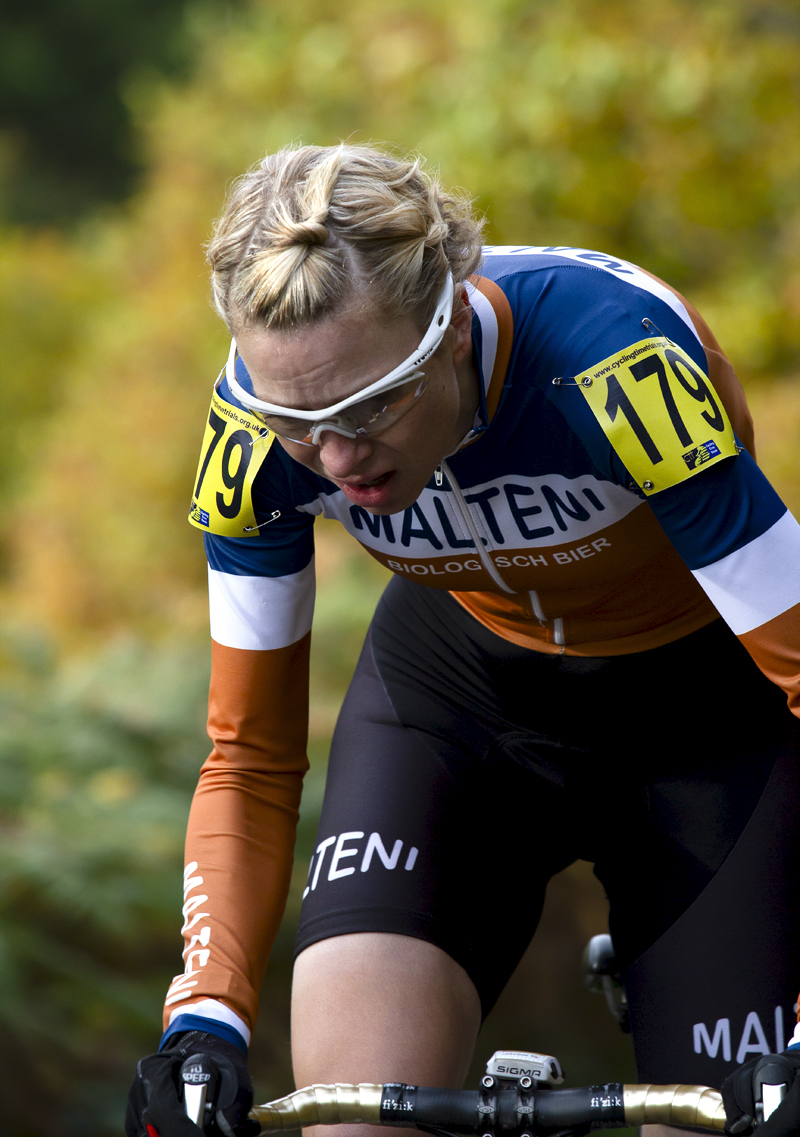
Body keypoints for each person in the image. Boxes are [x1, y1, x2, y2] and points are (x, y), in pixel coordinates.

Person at [126, 144, 800, 1137]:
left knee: (718, 1123)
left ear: (445, 327)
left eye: (369, 404)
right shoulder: (252, 440)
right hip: (456, 703)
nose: (339, 455)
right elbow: (250, 758)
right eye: (298, 421)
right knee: (352, 1114)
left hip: (701, 720)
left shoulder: (614, 365)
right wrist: (206, 1018)